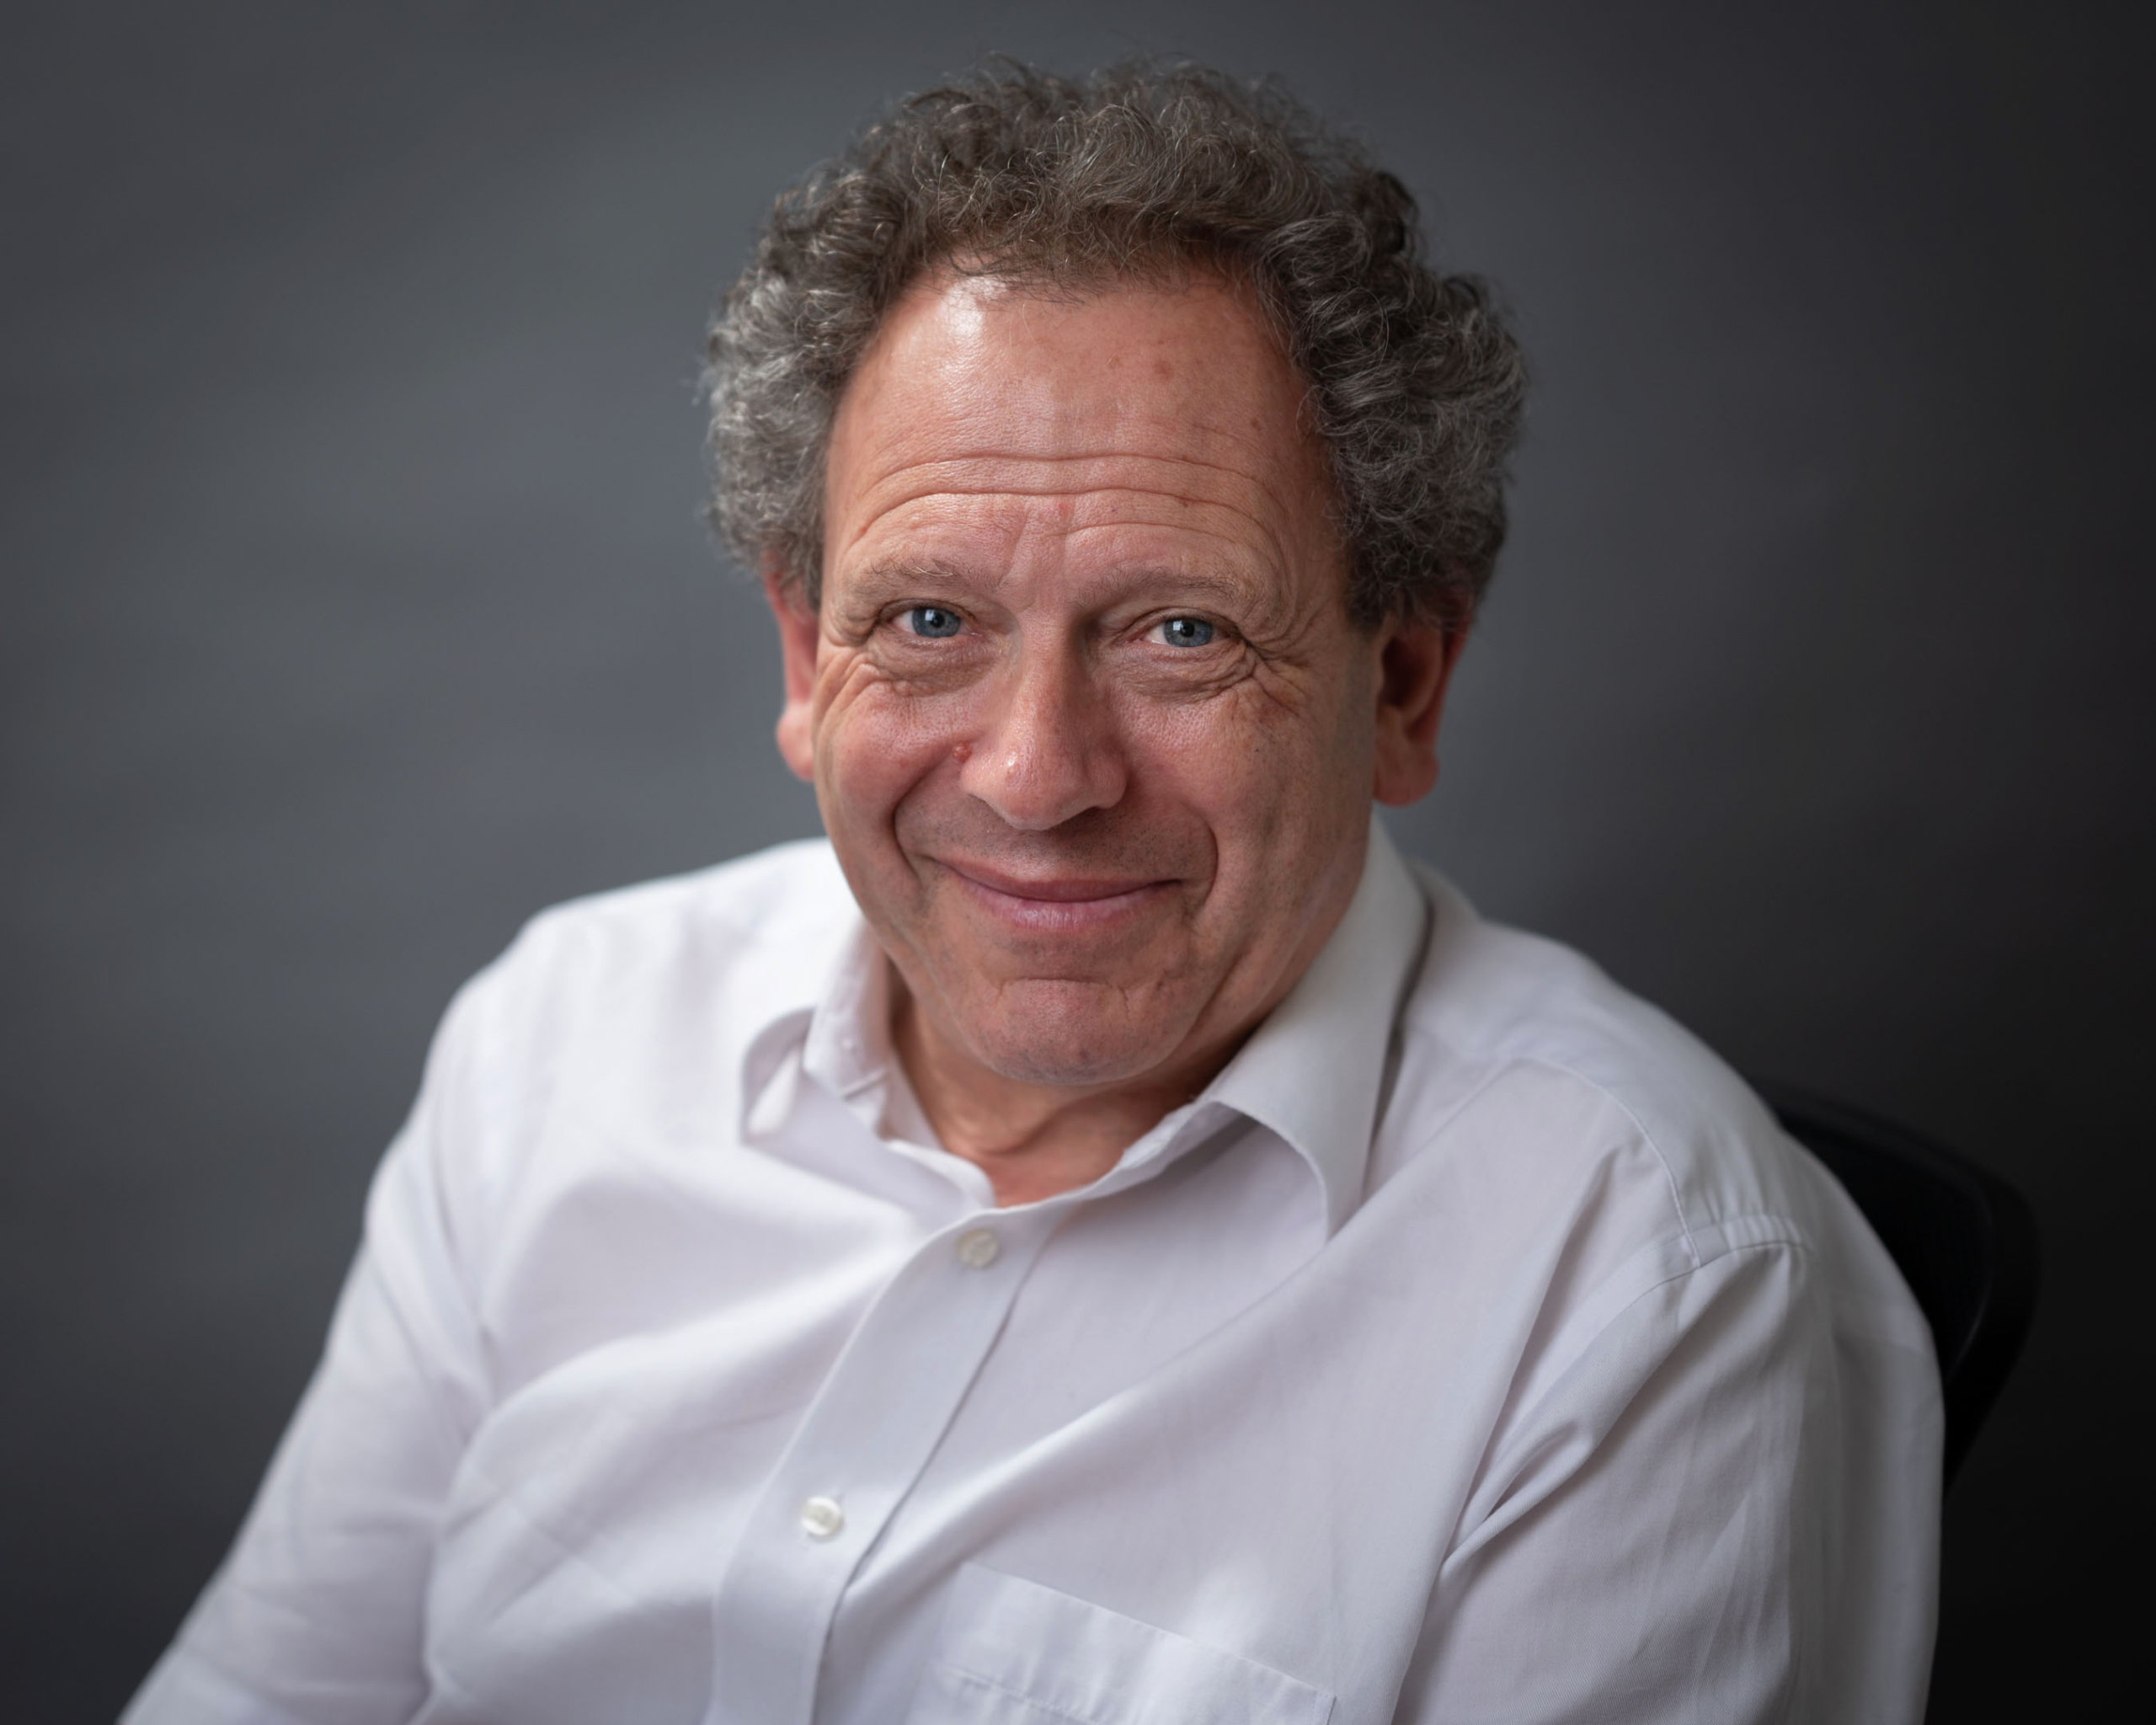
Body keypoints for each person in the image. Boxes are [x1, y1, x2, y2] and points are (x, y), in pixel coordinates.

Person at [125, 60, 1939, 1725]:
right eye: (929, 619)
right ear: (804, 653)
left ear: (1401, 686)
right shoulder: (563, 1037)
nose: (1034, 777)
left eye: (1179, 631)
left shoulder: (1644, 1274)